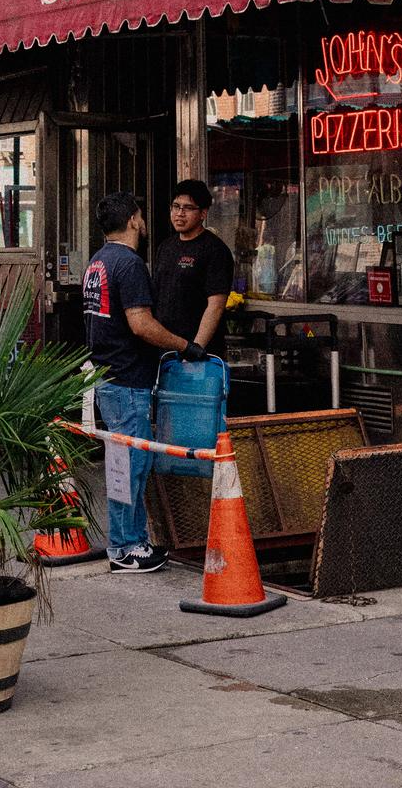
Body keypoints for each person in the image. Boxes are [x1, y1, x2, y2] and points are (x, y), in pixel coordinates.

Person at [82, 190, 203, 573]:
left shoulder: (98, 262)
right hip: (128, 379)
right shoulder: (129, 264)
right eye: (142, 215)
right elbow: (140, 323)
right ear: (134, 220)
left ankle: (129, 543)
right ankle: (126, 546)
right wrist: (184, 345)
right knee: (131, 464)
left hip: (107, 377)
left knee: (123, 463)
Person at [152, 179, 234, 356]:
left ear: (203, 213)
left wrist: (195, 349)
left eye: (188, 208)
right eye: (176, 206)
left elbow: (216, 306)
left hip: (198, 354)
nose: (180, 213)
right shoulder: (165, 247)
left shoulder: (215, 250)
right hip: (164, 351)